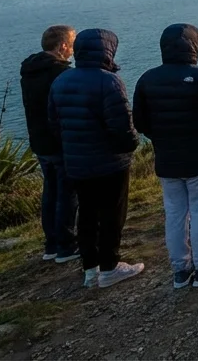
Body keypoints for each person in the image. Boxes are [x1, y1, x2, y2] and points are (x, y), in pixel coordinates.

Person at [132, 24, 198, 289]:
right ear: (194, 47)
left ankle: (180, 270)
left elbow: (140, 122)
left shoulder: (147, 79)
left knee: (175, 213)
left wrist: (160, 137)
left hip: (167, 158)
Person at [47, 28, 143, 289]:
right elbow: (122, 125)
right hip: (110, 162)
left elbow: (54, 123)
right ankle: (110, 267)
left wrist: (73, 146)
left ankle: (90, 269)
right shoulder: (109, 82)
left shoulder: (61, 81)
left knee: (87, 214)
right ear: (106, 50)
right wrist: (131, 145)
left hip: (77, 161)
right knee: (112, 214)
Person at [20, 24, 79, 265]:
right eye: (72, 44)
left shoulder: (29, 72)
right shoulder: (59, 73)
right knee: (67, 193)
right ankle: (66, 245)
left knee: (51, 190)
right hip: (59, 141)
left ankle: (52, 244)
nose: (74, 50)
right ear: (63, 46)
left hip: (39, 140)